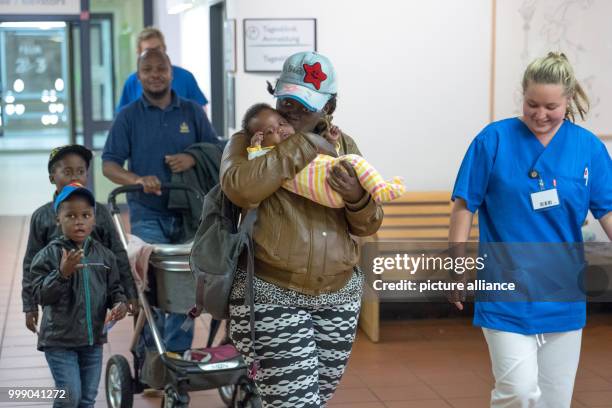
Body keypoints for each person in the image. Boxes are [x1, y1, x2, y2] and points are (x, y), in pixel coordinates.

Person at [220, 51, 384, 407]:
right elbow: (239, 187)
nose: (291, 109)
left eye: (304, 103)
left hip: (339, 297)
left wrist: (357, 196)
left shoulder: (344, 145)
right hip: (270, 294)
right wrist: (302, 144)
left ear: (329, 106)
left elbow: (370, 222)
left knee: (312, 400)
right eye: (286, 99)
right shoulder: (252, 139)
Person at [449, 52, 612, 407]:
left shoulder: (588, 149)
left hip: (563, 290)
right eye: (531, 104)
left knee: (556, 399)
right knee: (519, 392)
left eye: (551, 106)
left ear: (568, 100)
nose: (540, 114)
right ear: (522, 96)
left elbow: (607, 210)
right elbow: (464, 204)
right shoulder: (492, 140)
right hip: (505, 287)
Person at [102, 48, 220, 354]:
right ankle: (150, 360)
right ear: (138, 76)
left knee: (184, 292)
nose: (155, 75)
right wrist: (137, 180)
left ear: (171, 72)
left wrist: (191, 157)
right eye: (147, 70)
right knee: (150, 289)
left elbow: (215, 150)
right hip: (147, 214)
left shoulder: (192, 111)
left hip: (189, 215)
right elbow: (109, 164)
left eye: (161, 69)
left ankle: (176, 359)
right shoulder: (128, 116)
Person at [22, 145, 137, 334]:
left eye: (81, 171)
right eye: (67, 172)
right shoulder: (42, 217)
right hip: (58, 310)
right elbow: (31, 263)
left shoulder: (100, 213)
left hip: (94, 308)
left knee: (91, 350)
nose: (75, 177)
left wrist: (129, 292)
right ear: (52, 178)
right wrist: (30, 304)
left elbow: (117, 252)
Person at [31, 183, 127, 408]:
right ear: (58, 220)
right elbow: (40, 295)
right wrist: (62, 274)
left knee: (87, 399)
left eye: (86, 215)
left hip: (93, 340)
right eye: (71, 215)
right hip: (59, 341)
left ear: (94, 219)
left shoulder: (105, 255)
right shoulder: (48, 255)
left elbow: (114, 289)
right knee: (70, 397)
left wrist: (120, 303)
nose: (79, 221)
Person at [243, 103, 405, 207]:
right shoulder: (268, 153)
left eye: (282, 124)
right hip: (325, 192)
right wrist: (254, 148)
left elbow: (327, 160)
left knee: (351, 161)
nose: (280, 130)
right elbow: (254, 172)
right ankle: (381, 188)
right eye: (270, 132)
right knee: (354, 161)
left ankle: (380, 187)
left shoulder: (343, 140)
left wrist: (356, 197)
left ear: (326, 106)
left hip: (331, 187)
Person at [116, 26, 208, 112]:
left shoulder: (185, 77)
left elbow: (200, 113)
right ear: (139, 53)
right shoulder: (132, 82)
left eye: (157, 49)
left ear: (164, 48)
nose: (154, 55)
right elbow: (122, 117)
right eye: (148, 51)